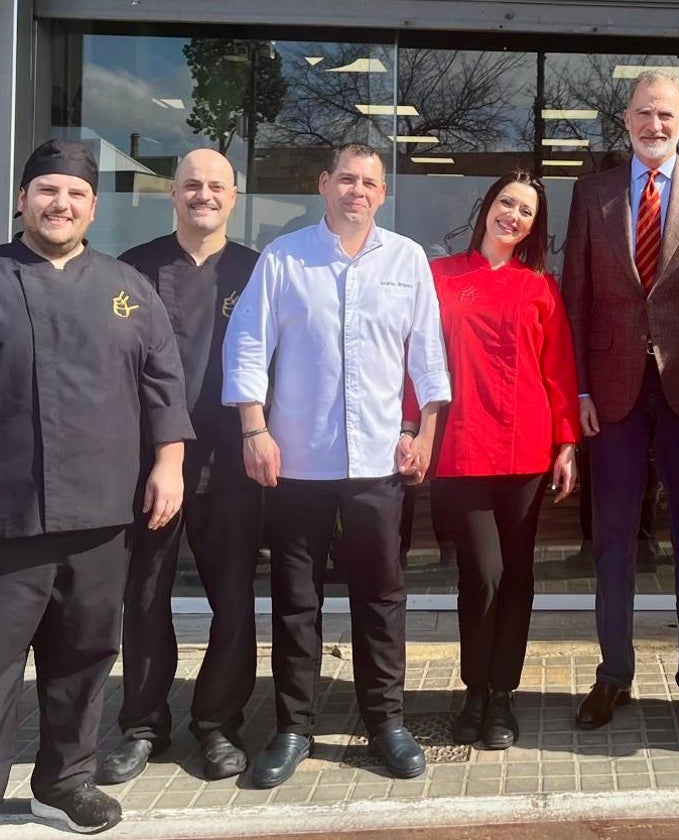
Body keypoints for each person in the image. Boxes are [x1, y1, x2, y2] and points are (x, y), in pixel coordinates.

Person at [0, 139, 193, 840]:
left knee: (83, 661)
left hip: (100, 518)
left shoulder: (126, 290)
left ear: (92, 208)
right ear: (23, 199)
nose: (61, 205)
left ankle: (64, 783)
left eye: (76, 195)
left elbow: (163, 389)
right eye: (48, 191)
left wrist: (168, 465)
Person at [222, 143, 450, 786]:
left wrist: (424, 430)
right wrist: (253, 429)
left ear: (383, 193)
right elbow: (246, 346)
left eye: (369, 182)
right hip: (296, 463)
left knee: (382, 599)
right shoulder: (284, 258)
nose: (357, 190)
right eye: (345, 179)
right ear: (324, 186)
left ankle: (386, 722)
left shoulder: (406, 260)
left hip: (379, 462)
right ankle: (293, 727)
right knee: (296, 603)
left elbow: (428, 355)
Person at [562, 68, 679, 736]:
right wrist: (577, 387)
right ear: (626, 119)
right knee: (612, 541)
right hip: (610, 394)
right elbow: (574, 299)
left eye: (666, 114)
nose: (654, 124)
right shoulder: (593, 194)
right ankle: (614, 675)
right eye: (643, 113)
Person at [98, 149, 262, 786]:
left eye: (216, 186)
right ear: (173, 192)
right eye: (192, 185)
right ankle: (142, 724)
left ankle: (219, 723)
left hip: (232, 463)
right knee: (144, 597)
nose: (204, 195)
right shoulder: (131, 271)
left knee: (233, 598)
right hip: (148, 466)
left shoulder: (257, 270)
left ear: (234, 196)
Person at [421, 171, 579, 750]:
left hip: (526, 449)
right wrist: (414, 427)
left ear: (535, 227)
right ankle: (473, 687)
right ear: (486, 207)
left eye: (527, 211)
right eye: (506, 203)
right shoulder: (439, 278)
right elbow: (420, 357)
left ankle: (502, 695)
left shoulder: (539, 287)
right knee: (480, 573)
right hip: (461, 446)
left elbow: (559, 369)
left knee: (517, 575)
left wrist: (566, 444)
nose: (513, 215)